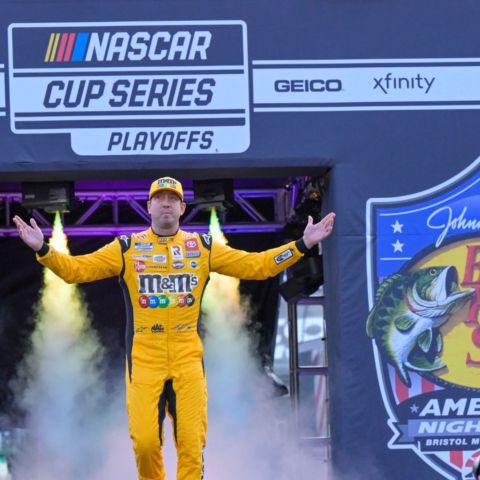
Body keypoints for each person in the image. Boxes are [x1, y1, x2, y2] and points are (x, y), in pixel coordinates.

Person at [13, 177, 335, 480]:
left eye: (173, 199)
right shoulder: (126, 247)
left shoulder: (203, 247)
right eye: (159, 198)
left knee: (192, 448)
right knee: (145, 445)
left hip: (187, 360)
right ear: (148, 206)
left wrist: (303, 244)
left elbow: (258, 266)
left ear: (182, 208)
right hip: (144, 363)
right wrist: (44, 250)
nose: (166, 204)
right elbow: (75, 271)